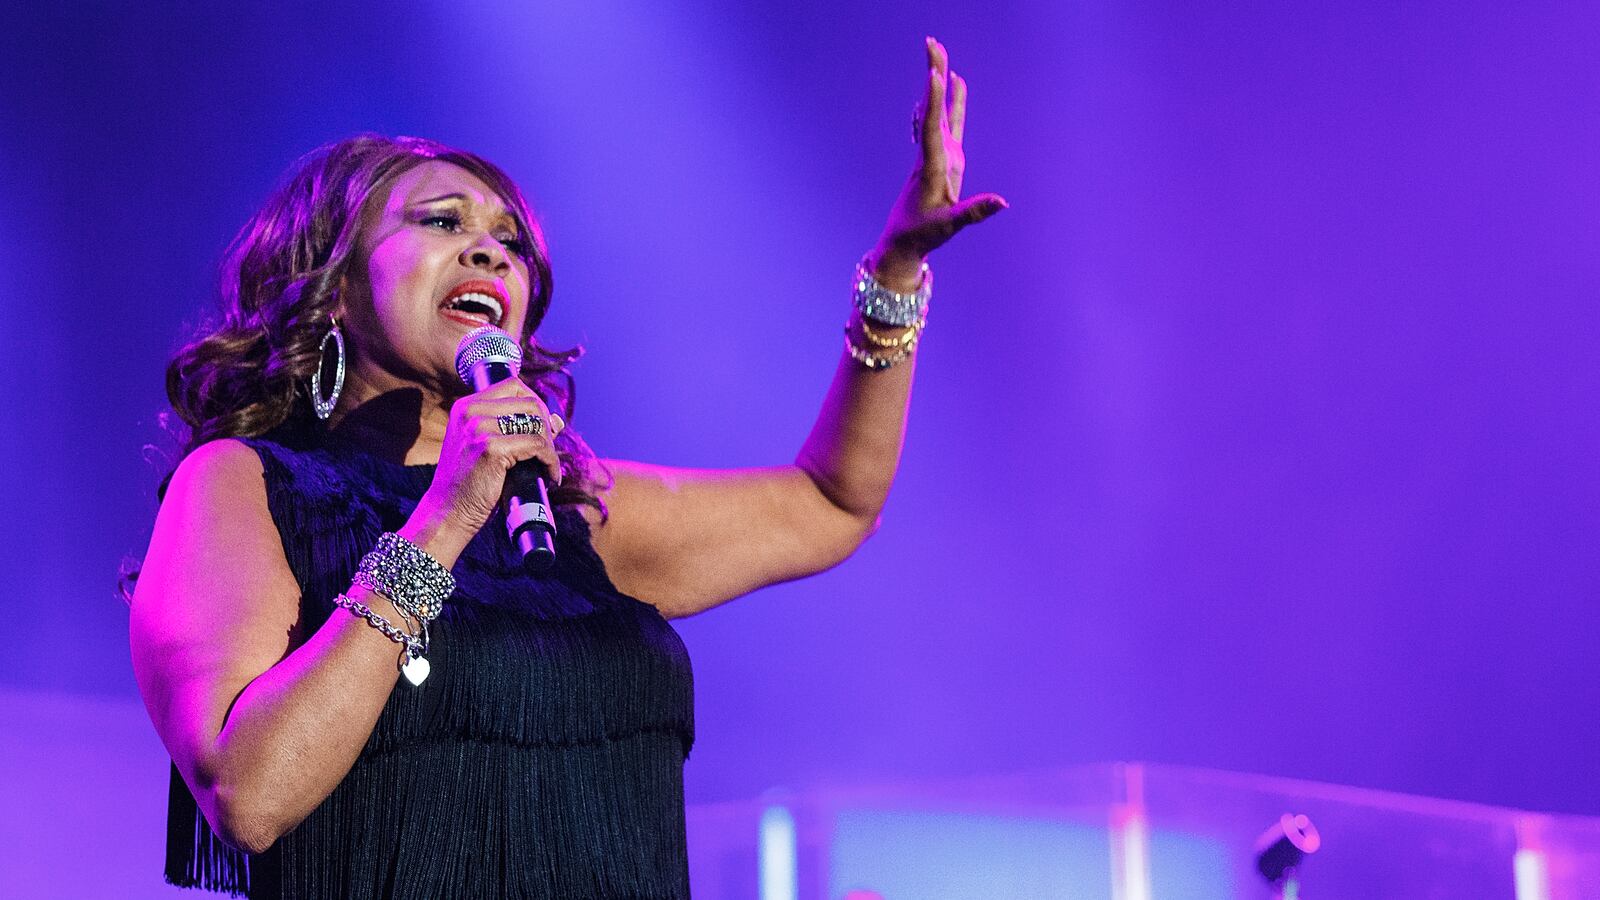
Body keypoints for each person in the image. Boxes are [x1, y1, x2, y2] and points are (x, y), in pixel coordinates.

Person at [128, 37, 1006, 898]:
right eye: (442, 223)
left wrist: (894, 275)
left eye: (509, 243)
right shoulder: (242, 486)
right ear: (335, 280)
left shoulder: (564, 514)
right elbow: (252, 795)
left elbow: (831, 502)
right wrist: (443, 519)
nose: (489, 253)